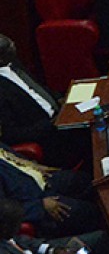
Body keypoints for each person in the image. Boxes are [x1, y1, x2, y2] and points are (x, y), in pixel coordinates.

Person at [0, 35, 86, 166]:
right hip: (48, 138)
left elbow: (38, 88)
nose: (15, 48)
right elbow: (11, 135)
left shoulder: (13, 63)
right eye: (9, 49)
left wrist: (60, 99)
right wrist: (51, 124)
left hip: (62, 116)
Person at [0, 143, 100, 239]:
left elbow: (10, 157)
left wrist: (33, 166)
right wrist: (40, 206)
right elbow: (4, 212)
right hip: (37, 203)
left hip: (40, 180)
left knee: (83, 180)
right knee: (88, 213)